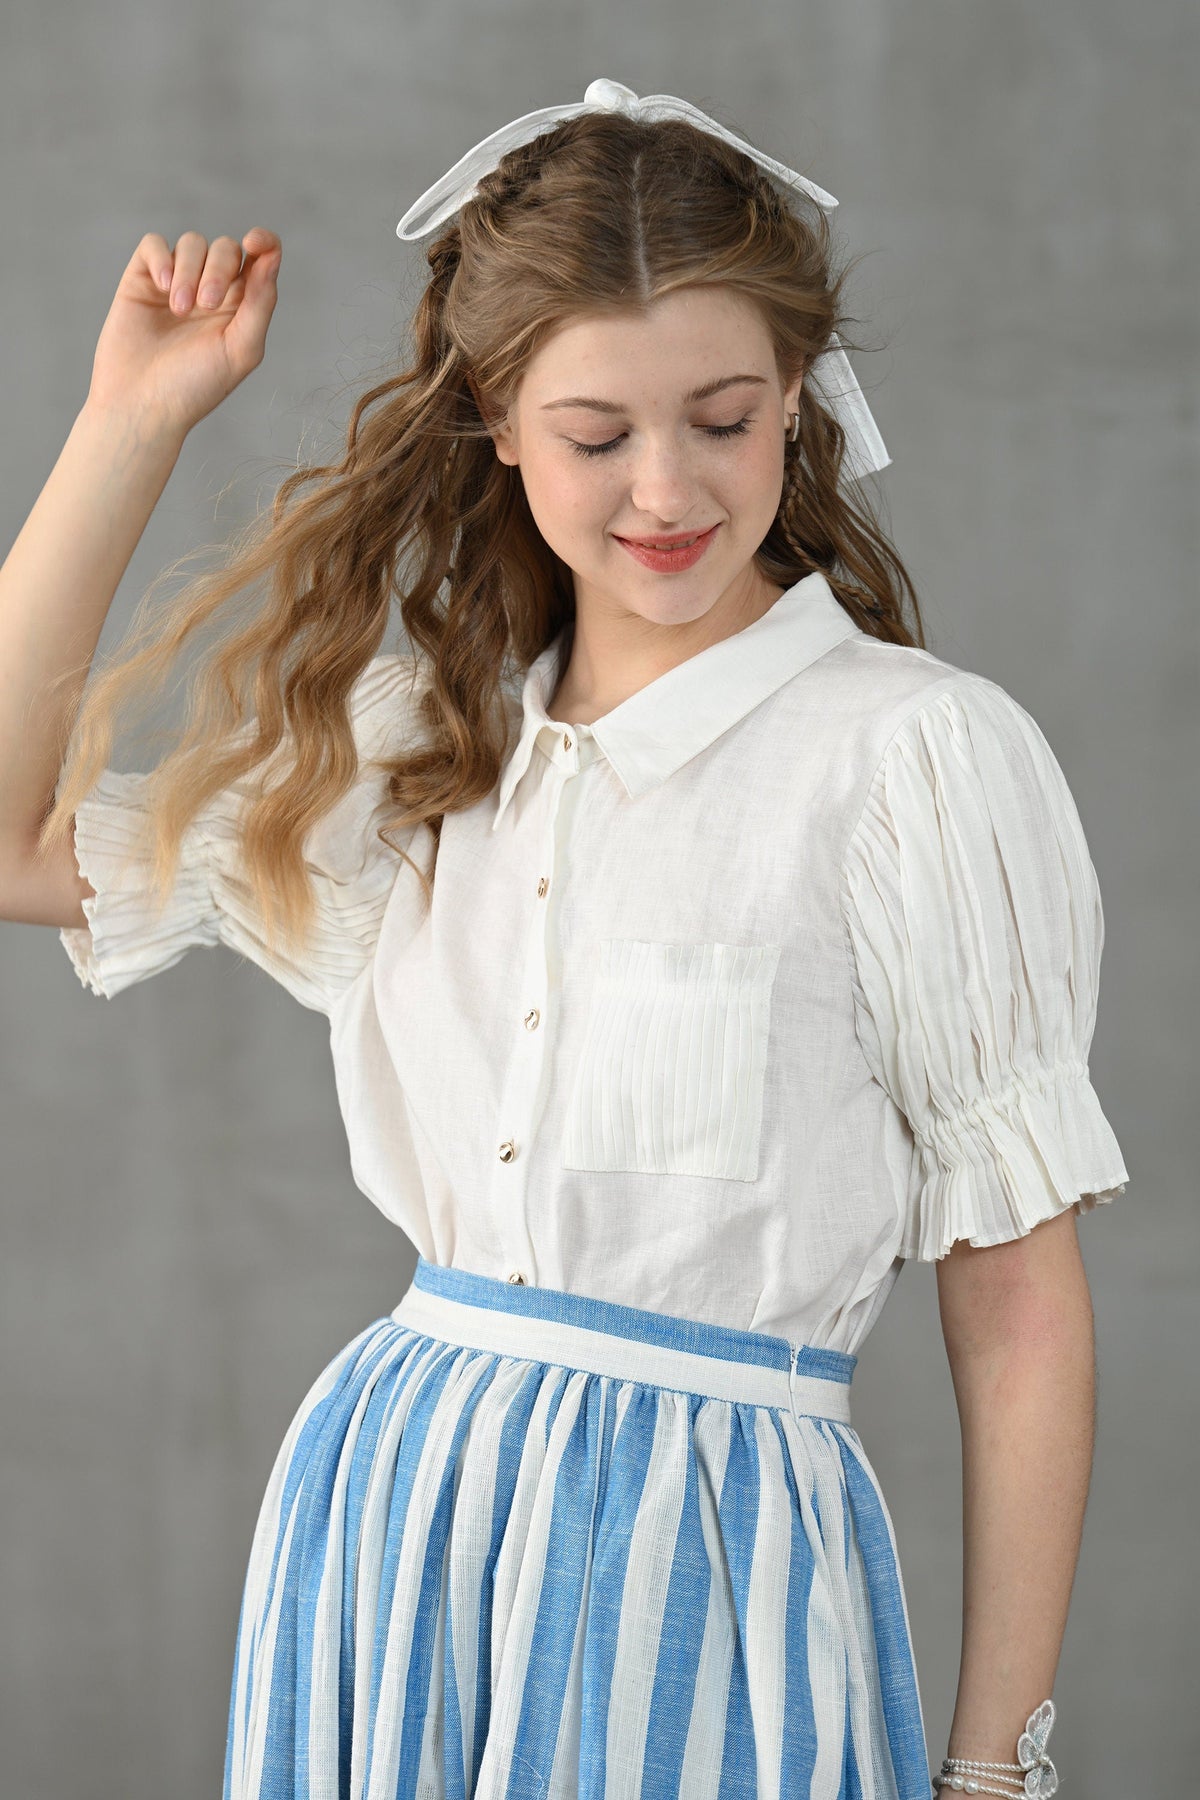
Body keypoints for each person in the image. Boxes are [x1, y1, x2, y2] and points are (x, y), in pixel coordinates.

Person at [0, 77, 1128, 1800]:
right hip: (392, 1544)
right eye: (597, 435)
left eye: (723, 420)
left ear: (800, 401)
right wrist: (128, 423)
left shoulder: (914, 760)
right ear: (498, 423)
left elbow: (1022, 1310)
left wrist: (995, 1774)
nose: (666, 487)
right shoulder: (421, 758)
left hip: (717, 1580)